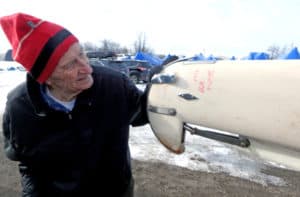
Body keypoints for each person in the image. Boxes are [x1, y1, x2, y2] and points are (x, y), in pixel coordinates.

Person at [0, 13, 152, 197]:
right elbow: (28, 165)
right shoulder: (20, 107)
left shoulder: (114, 86)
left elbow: (149, 112)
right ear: (46, 78)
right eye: (71, 64)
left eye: (81, 54)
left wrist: (165, 86)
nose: (87, 68)